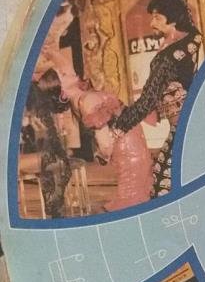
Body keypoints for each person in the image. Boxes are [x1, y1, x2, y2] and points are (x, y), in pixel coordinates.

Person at [111, 0, 202, 198]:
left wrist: (118, 128)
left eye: (157, 18)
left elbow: (147, 100)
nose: (151, 23)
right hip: (194, 122)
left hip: (182, 129)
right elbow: (182, 6)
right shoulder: (192, 37)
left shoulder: (166, 59)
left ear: (172, 20)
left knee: (164, 185)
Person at [35, 69, 153, 211]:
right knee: (133, 197)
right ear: (63, 92)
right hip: (129, 148)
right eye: (63, 75)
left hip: (130, 144)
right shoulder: (87, 100)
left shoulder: (83, 98)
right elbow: (105, 143)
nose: (69, 73)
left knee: (135, 196)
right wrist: (110, 147)